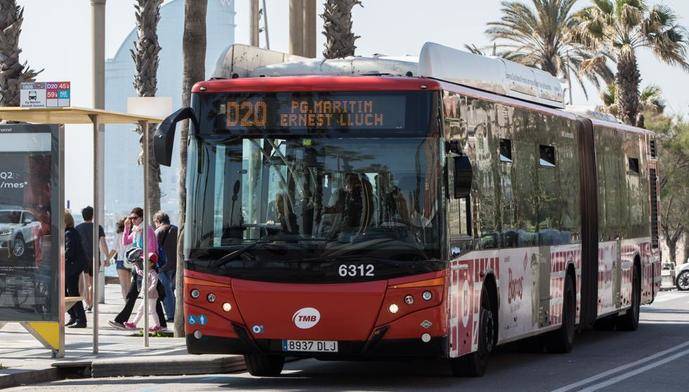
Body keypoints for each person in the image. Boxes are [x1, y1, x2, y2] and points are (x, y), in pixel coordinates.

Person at [108, 207, 167, 330]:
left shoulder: (148, 230)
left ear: (141, 217)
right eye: (131, 218)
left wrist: (144, 262)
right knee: (135, 294)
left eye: (135, 218)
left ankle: (160, 324)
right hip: (138, 266)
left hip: (147, 266)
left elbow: (151, 248)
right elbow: (125, 241)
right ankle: (122, 320)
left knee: (150, 293)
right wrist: (127, 227)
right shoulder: (136, 230)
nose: (133, 220)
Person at [75, 206, 110, 311]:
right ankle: (91, 304)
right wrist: (107, 257)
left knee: (86, 282)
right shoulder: (98, 227)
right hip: (95, 258)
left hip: (83, 258)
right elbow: (103, 243)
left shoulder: (78, 228)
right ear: (93, 215)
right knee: (92, 282)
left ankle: (88, 303)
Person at [124, 257, 161, 333]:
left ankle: (157, 326)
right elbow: (139, 272)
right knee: (141, 309)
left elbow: (154, 283)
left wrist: (149, 290)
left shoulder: (153, 273)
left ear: (152, 263)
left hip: (151, 295)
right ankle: (134, 323)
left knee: (152, 310)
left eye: (146, 262)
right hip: (147, 295)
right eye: (144, 262)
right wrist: (136, 265)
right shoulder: (146, 272)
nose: (144, 263)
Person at [64, 210, 88, 328]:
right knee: (66, 292)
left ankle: (80, 319)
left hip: (71, 268)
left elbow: (69, 251)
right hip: (71, 267)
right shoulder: (70, 232)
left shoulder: (69, 233)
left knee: (73, 292)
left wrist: (60, 256)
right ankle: (73, 316)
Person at [153, 211, 178, 323]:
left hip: (162, 266)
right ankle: (177, 313)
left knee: (166, 291)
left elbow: (154, 249)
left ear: (158, 221)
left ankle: (171, 314)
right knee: (173, 290)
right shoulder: (177, 230)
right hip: (176, 265)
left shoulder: (158, 231)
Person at [112, 218, 132, 300]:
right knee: (129, 284)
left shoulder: (119, 234)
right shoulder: (134, 234)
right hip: (132, 261)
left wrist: (107, 259)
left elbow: (114, 249)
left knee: (124, 286)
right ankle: (129, 302)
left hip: (121, 261)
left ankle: (126, 303)